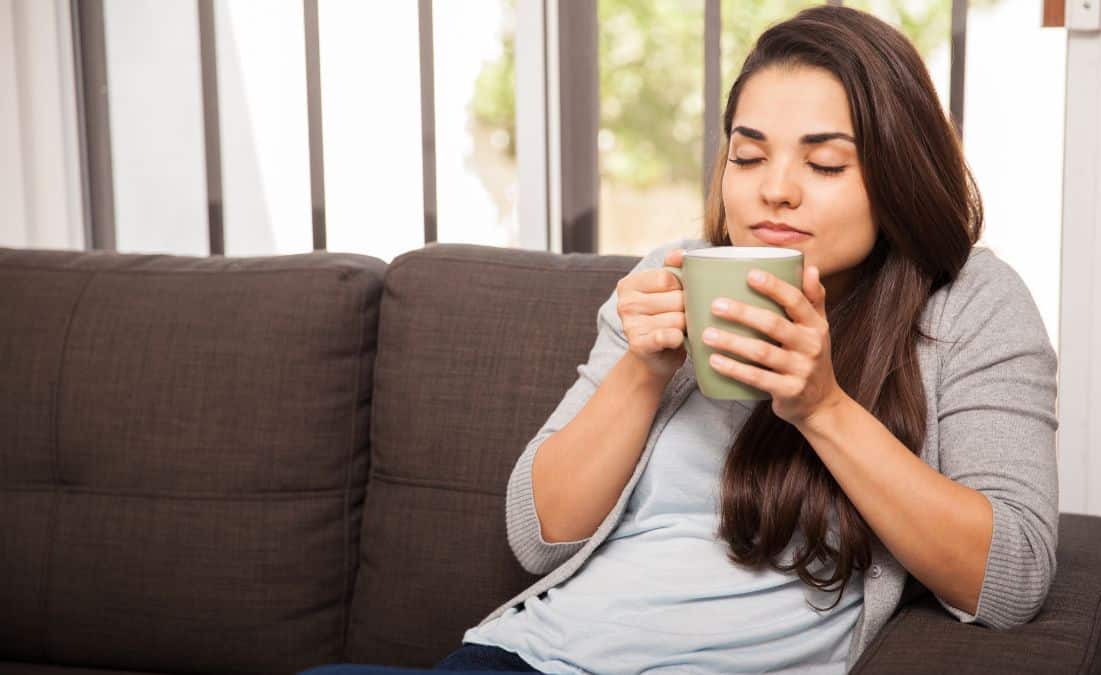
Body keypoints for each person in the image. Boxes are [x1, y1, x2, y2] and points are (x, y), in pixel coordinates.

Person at [301, 4, 1058, 674]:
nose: (774, 189)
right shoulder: (672, 275)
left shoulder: (970, 306)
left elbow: (1014, 576)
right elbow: (538, 536)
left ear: (898, 172)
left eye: (824, 161)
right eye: (749, 154)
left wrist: (823, 407)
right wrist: (644, 367)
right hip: (524, 658)